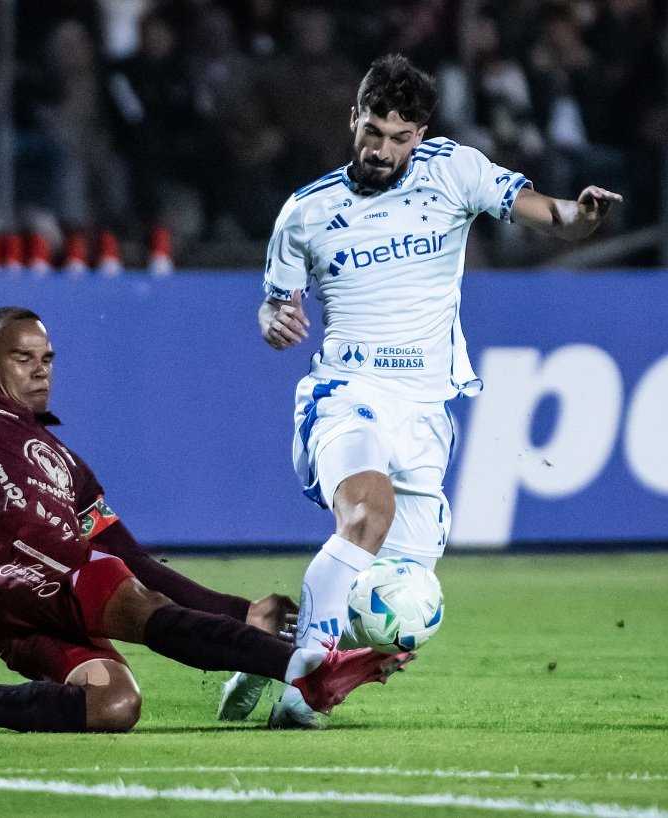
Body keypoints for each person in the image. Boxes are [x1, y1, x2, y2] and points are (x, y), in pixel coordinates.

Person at [0, 200, 409, 733]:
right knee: (127, 595)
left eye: (47, 358)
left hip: (35, 606)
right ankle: (304, 670)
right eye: (23, 358)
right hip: (16, 563)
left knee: (114, 706)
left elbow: (140, 561)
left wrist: (240, 610)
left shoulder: (68, 467)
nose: (41, 369)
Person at [219, 54, 622, 729]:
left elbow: (546, 213)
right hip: (346, 393)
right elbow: (272, 306)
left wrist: (581, 216)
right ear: (354, 119)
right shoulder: (307, 212)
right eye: (373, 132)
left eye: (399, 138)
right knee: (365, 517)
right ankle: (296, 696)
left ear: (422, 133)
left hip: (426, 410)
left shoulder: (454, 172)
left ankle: (265, 642)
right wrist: (274, 320)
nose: (383, 150)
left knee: (397, 604)